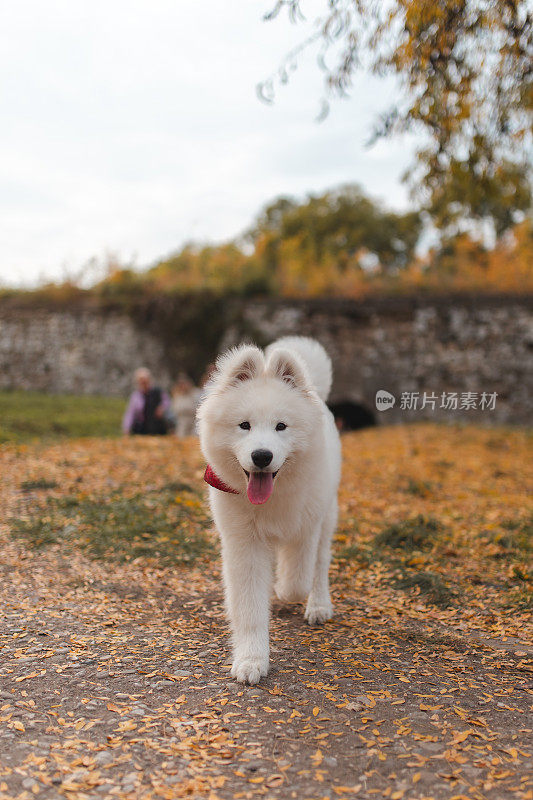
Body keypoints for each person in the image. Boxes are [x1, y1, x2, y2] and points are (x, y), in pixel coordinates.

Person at [122, 367, 170, 435]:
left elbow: (167, 402)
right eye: (141, 380)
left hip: (158, 428)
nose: (143, 382)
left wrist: (162, 408)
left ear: (149, 380)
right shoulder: (135, 396)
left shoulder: (158, 392)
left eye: (145, 379)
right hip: (142, 429)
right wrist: (126, 428)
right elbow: (130, 413)